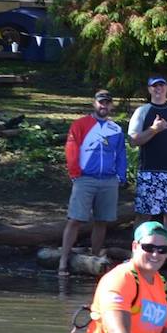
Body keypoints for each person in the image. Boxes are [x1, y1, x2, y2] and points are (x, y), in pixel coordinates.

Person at [76, 221, 167, 333]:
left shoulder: (166, 291)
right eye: (148, 248)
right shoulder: (120, 279)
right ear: (135, 247)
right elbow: (117, 331)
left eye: (162, 250)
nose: (155, 254)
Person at [59, 90, 127, 277]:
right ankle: (63, 259)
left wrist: (121, 175)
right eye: (100, 102)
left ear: (111, 105)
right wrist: (75, 173)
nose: (104, 105)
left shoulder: (116, 129)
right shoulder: (81, 124)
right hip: (85, 178)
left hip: (108, 180)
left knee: (102, 220)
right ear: (94, 104)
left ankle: (95, 257)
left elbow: (121, 153)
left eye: (107, 103)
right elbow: (71, 149)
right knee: (75, 219)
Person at [128, 76, 167, 251]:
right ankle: (139, 252)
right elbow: (134, 141)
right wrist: (154, 130)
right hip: (149, 172)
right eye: (154, 86)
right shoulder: (142, 111)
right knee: (144, 214)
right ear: (149, 90)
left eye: (161, 85)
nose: (158, 89)